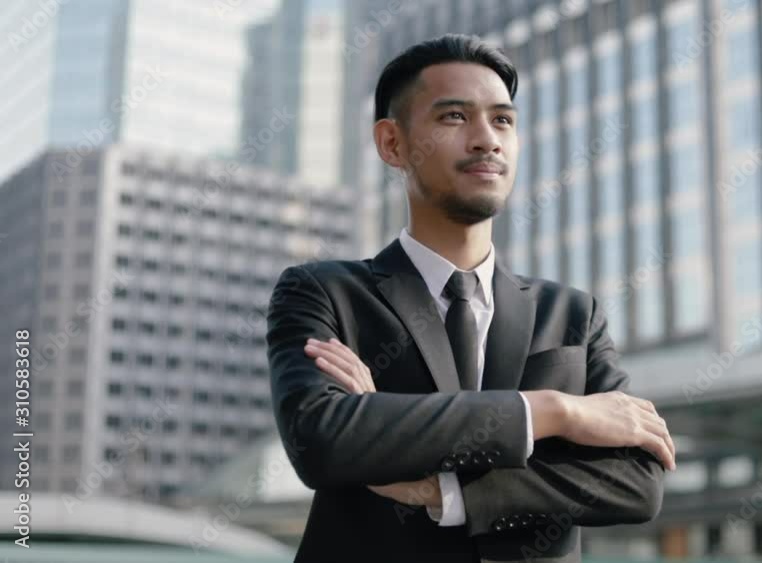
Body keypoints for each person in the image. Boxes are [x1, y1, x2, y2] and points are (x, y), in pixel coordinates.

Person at [266, 33, 675, 563]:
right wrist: (554, 412)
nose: (488, 140)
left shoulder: (574, 315)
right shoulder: (323, 291)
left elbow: (635, 484)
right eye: (455, 117)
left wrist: (444, 490)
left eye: (503, 120)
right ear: (393, 144)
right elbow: (322, 440)